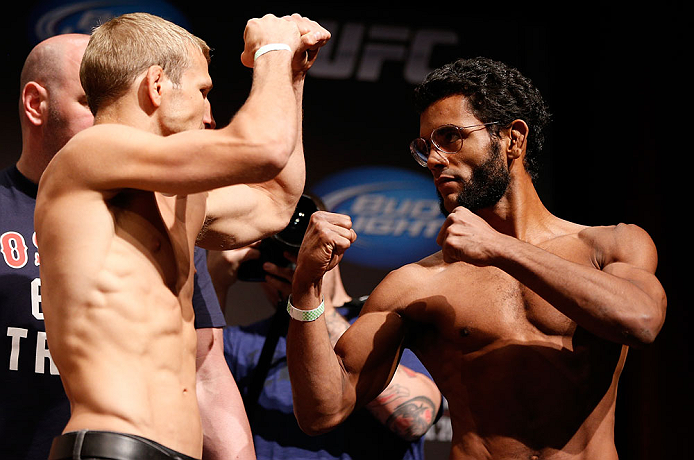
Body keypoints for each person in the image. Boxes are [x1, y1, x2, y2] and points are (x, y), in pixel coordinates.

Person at [285, 57, 667, 459]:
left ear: (513, 139)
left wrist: (500, 248)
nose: (433, 160)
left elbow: (640, 322)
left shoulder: (610, 246)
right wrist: (305, 287)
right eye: (424, 147)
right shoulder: (418, 284)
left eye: (450, 137)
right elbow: (322, 411)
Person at [33, 12, 329, 460]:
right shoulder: (92, 152)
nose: (210, 114)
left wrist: (291, 74)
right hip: (112, 448)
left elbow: (277, 201)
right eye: (203, 91)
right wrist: (273, 49)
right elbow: (262, 149)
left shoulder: (180, 196)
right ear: (156, 85)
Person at [0, 33, 243, 460]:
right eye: (92, 103)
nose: (114, 120)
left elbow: (204, 371)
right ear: (37, 104)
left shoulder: (167, 214)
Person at [206, 197, 442, 460]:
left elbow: (415, 419)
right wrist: (213, 280)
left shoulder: (384, 322)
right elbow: (189, 395)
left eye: (305, 247)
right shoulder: (241, 342)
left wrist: (312, 296)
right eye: (274, 251)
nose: (294, 261)